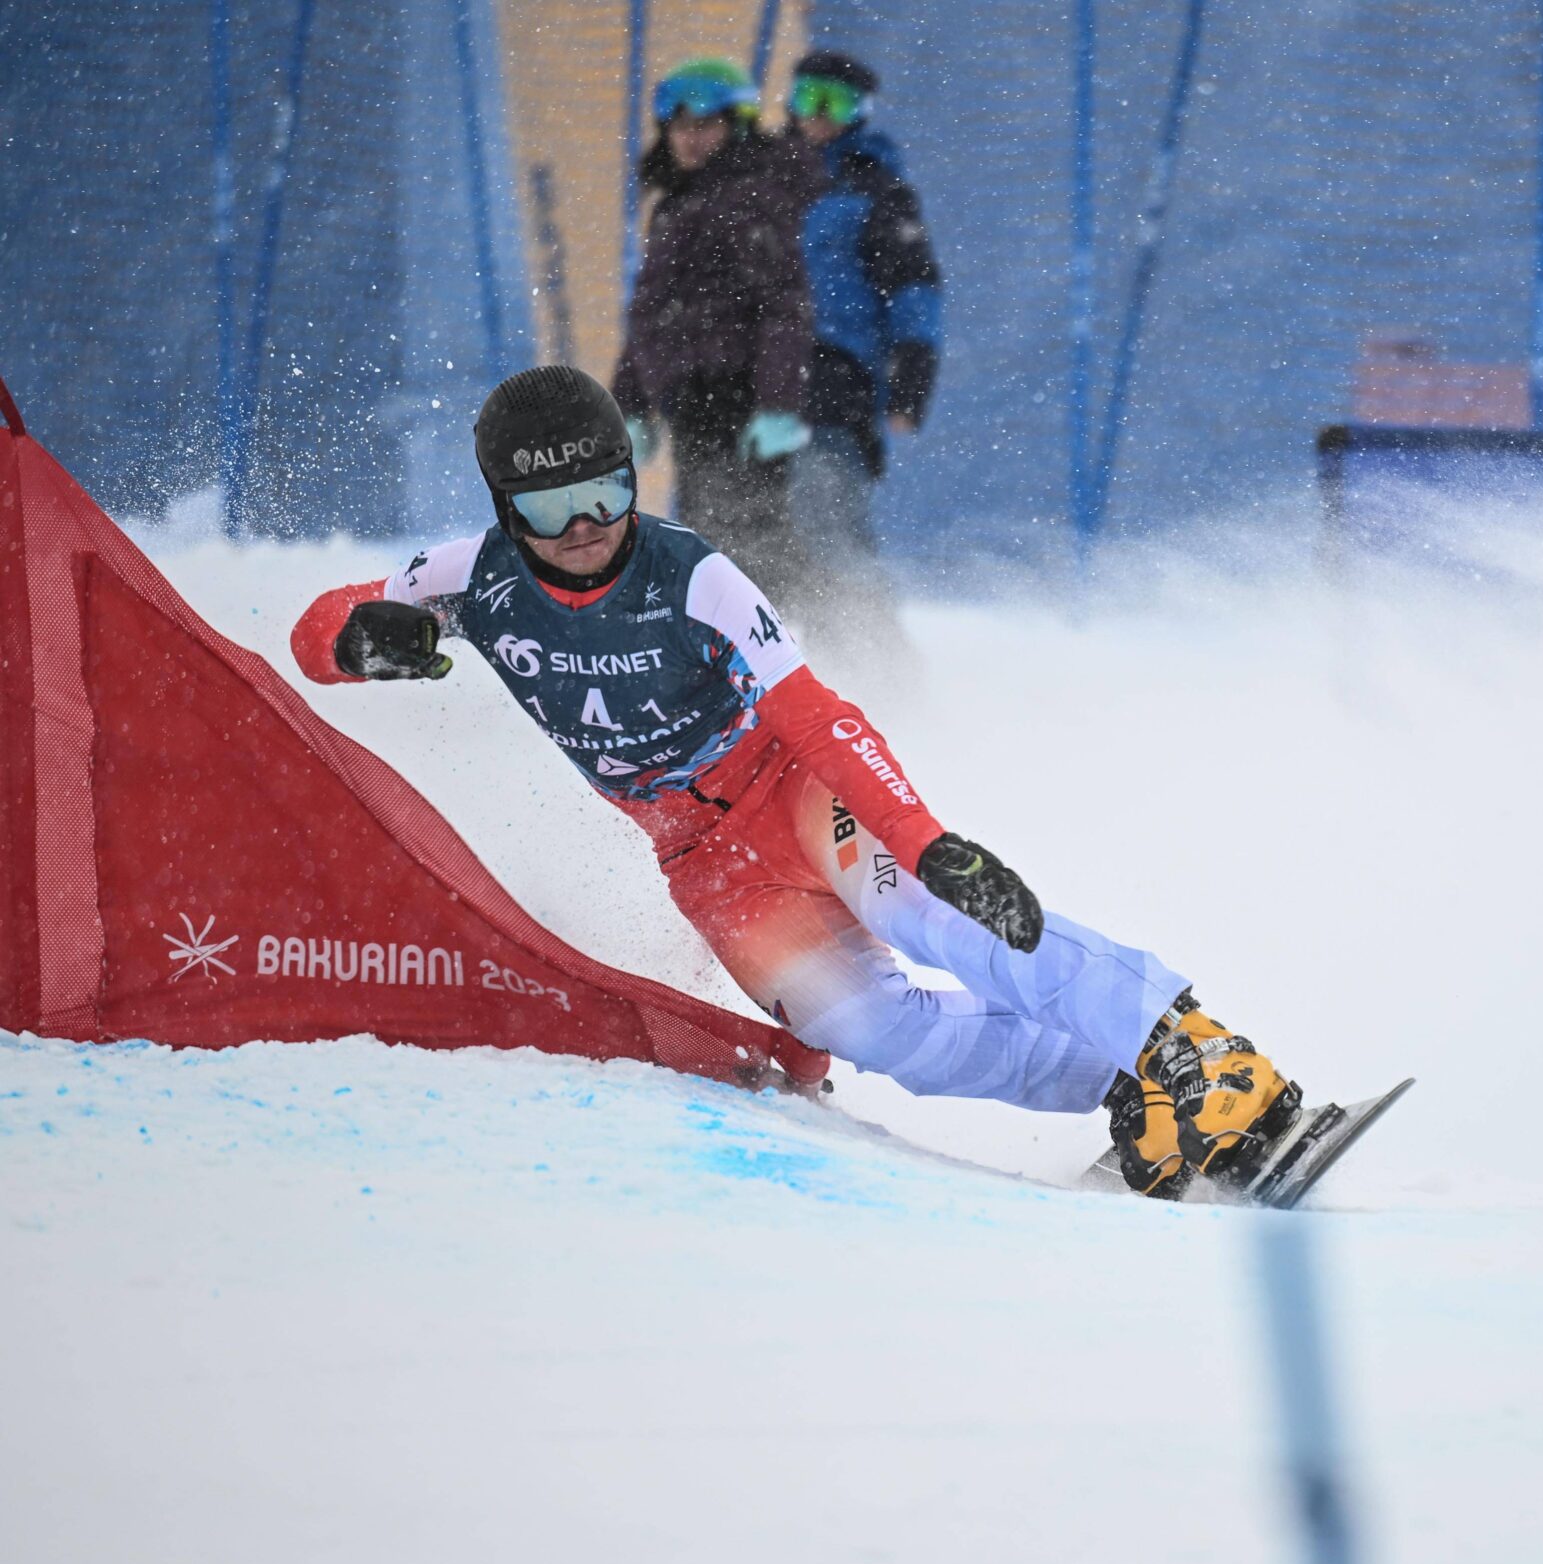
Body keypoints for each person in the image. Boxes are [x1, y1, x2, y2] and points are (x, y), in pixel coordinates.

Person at [290, 365, 1294, 1200]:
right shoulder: (469, 579)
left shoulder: (689, 576)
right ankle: (1133, 1085)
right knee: (879, 1032)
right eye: (553, 508)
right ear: (507, 511)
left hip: (793, 796)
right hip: (706, 865)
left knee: (941, 921)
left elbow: (813, 711)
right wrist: (357, 637)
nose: (589, 524)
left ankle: (1197, 1047)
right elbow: (312, 638)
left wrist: (923, 842)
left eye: (607, 488)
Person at [611, 58, 821, 610]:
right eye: (680, 127)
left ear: (738, 126)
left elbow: (783, 307)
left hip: (736, 399)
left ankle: (828, 650)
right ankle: (764, 654)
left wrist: (777, 404)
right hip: (693, 401)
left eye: (705, 126)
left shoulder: (750, 197)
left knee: (749, 547)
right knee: (720, 540)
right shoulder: (680, 205)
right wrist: (629, 405)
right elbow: (652, 317)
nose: (690, 139)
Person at [781, 50, 942, 589]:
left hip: (837, 372)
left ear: (860, 111)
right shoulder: (764, 180)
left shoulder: (876, 192)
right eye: (810, 97)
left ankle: (869, 655)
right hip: (762, 378)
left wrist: (911, 377)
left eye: (838, 102)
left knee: (823, 510)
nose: (821, 114)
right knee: (753, 536)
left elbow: (914, 290)